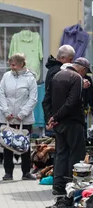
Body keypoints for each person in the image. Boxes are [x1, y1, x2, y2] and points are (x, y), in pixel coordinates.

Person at [47, 58, 90, 195]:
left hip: (59, 124)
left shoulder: (57, 76)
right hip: (72, 121)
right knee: (76, 153)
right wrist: (56, 117)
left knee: (61, 153)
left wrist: (51, 118)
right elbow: (72, 102)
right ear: (82, 69)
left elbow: (46, 100)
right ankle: (72, 184)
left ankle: (58, 185)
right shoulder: (76, 78)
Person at [0, 54, 38, 181]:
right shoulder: (6, 76)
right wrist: (5, 111)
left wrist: (22, 113)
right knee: (7, 144)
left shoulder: (30, 78)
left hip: (24, 118)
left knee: (24, 145)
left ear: (21, 64)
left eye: (13, 64)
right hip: (7, 117)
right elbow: (1, 93)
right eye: (10, 64)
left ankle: (26, 172)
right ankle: (8, 172)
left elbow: (33, 98)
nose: (11, 67)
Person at [42, 45, 75, 124]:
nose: (72, 62)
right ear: (63, 58)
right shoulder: (58, 71)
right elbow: (57, 95)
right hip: (58, 115)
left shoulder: (53, 69)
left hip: (55, 114)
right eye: (70, 59)